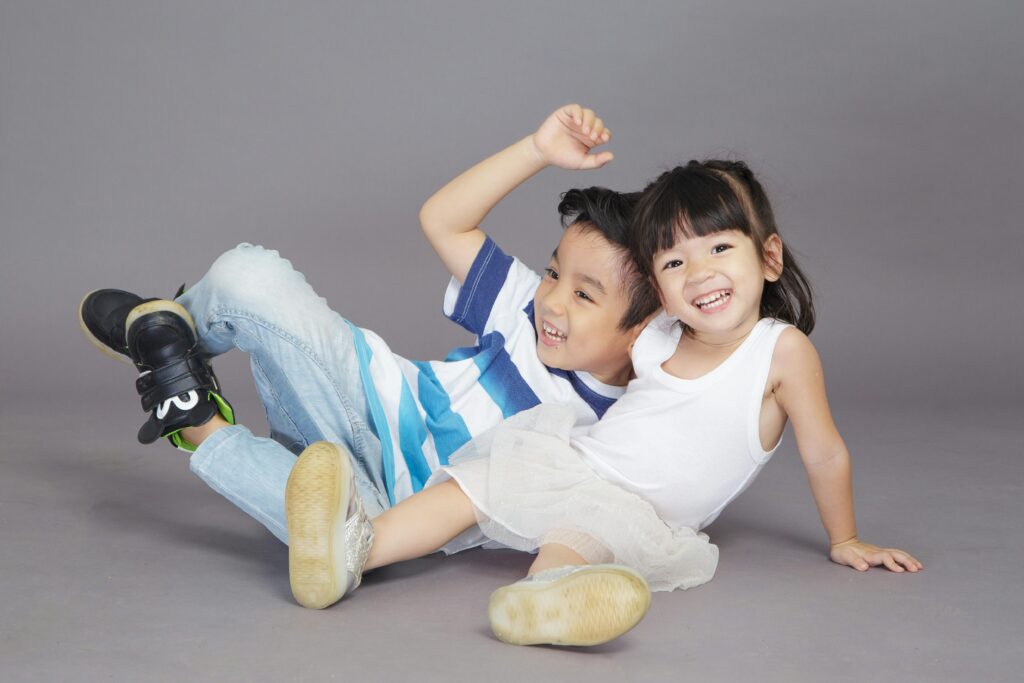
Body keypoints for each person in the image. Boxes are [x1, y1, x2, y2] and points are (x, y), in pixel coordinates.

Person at [283, 159, 922, 648]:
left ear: (770, 257)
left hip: (641, 512)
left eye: (720, 248)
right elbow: (593, 320)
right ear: (658, 292)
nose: (700, 273)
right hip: (575, 461)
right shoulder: (657, 336)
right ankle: (351, 550)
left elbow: (824, 452)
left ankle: (539, 601)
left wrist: (845, 538)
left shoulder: (779, 353)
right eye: (674, 263)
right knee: (466, 489)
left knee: (577, 540)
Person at [78, 104, 659, 543]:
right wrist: (536, 149)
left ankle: (191, 416)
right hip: (357, 395)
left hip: (389, 507)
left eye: (584, 295)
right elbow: (444, 220)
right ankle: (171, 333)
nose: (553, 302)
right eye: (554, 273)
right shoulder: (525, 309)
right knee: (249, 273)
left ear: (644, 327)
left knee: (342, 537)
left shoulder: (626, 422)